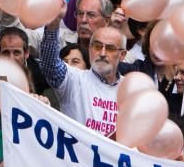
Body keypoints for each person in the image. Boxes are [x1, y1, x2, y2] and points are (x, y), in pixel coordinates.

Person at [41, 8, 125, 137]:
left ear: (122, 55)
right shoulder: (75, 79)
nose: (102, 53)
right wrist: (53, 24)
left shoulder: (132, 89)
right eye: (97, 46)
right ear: (90, 49)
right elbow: (50, 64)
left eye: (110, 48)